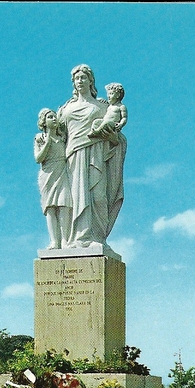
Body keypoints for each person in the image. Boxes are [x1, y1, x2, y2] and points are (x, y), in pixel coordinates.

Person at [57, 64, 126, 248]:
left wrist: (112, 136)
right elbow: (58, 134)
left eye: (83, 78)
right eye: (76, 78)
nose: (80, 81)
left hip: (96, 155)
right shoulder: (66, 109)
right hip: (72, 156)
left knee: (98, 196)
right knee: (74, 198)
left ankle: (97, 237)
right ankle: (75, 238)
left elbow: (116, 135)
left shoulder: (102, 106)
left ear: (90, 81)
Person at [34, 108, 72, 249]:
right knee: (50, 208)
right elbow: (39, 158)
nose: (54, 119)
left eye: (54, 116)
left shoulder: (63, 137)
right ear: (44, 121)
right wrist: (48, 141)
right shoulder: (40, 138)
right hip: (48, 175)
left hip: (62, 173)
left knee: (64, 205)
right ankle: (54, 241)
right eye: (50, 117)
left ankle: (65, 241)